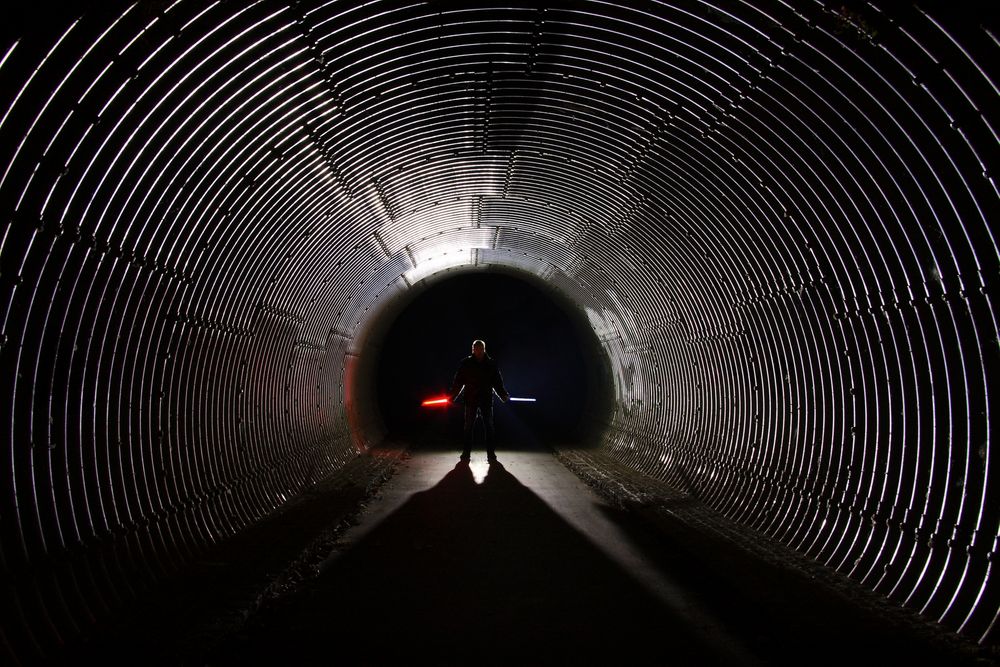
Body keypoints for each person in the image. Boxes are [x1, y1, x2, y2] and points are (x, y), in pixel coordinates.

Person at [450, 339, 509, 461]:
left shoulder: (491, 364)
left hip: (486, 400)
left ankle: (491, 454)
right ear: (473, 350)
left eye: (480, 349)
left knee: (489, 427)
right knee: (468, 428)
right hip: (470, 400)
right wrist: (452, 396)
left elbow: (497, 382)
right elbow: (458, 381)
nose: (478, 351)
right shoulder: (466, 363)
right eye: (476, 349)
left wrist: (503, 394)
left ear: (484, 349)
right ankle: (466, 454)